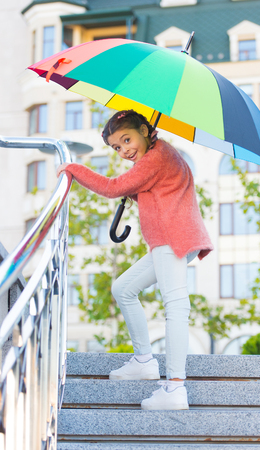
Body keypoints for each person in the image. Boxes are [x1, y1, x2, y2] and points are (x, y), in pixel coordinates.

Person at [57, 109, 213, 410]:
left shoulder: (157, 156)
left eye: (126, 140)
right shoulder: (157, 156)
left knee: (176, 305)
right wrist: (139, 193)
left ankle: (175, 388)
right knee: (123, 288)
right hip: (168, 240)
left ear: (145, 130)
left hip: (173, 238)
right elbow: (163, 190)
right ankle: (144, 360)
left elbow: (111, 187)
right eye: (116, 147)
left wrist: (73, 169)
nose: (124, 150)